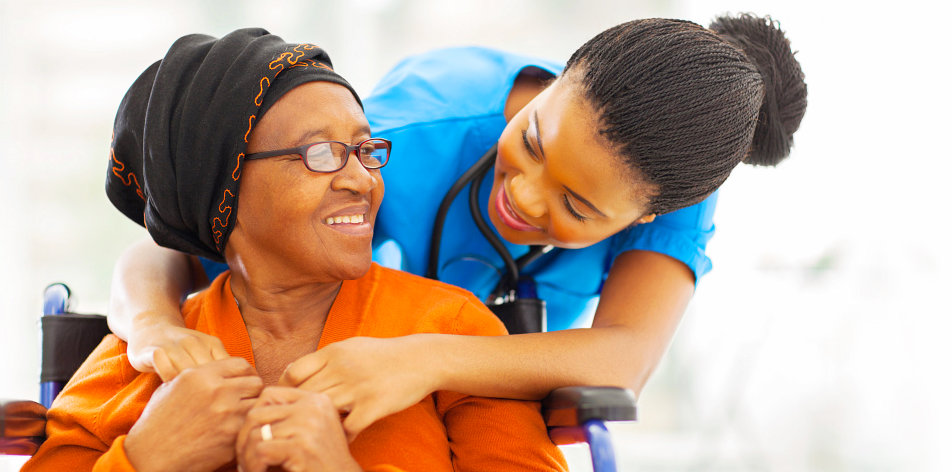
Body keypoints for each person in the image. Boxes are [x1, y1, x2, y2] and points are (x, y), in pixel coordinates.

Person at [107, 14, 809, 437]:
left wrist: (421, 358)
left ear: (647, 216)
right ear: (558, 80)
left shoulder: (670, 185)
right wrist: (153, 329)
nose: (527, 200)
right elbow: (161, 250)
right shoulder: (410, 132)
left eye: (578, 208)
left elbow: (623, 360)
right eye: (531, 142)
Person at [22, 28, 567, 472]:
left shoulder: (451, 329)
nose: (363, 179)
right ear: (222, 190)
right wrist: (145, 459)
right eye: (321, 153)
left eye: (364, 148)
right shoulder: (138, 358)